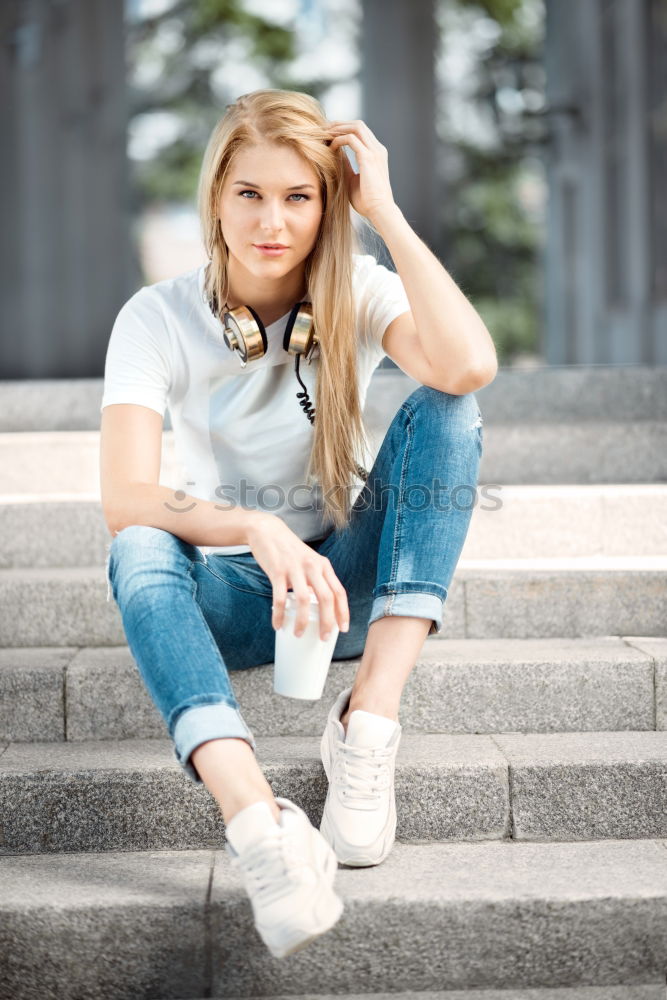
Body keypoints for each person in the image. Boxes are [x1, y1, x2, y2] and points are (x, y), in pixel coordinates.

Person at [100, 88, 496, 960]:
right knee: (138, 546)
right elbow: (125, 496)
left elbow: (468, 365)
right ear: (215, 199)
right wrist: (253, 528)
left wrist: (384, 213)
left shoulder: (355, 286)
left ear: (328, 205)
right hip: (242, 593)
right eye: (249, 193)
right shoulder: (155, 318)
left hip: (345, 578)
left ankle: (367, 724)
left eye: (298, 196)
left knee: (450, 409)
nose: (272, 220)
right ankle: (261, 831)